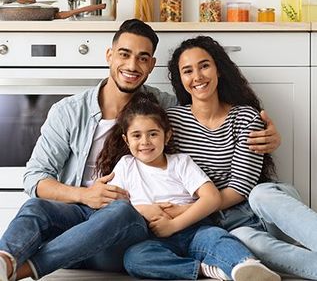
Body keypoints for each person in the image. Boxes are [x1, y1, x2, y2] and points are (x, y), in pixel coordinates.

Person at [0, 19, 280, 281]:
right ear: (109, 55)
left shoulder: (164, 109)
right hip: (81, 220)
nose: (132, 65)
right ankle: (5, 261)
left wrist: (264, 135)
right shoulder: (69, 111)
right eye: (124, 54)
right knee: (35, 206)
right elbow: (34, 179)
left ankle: (27, 270)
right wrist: (84, 195)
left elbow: (208, 110)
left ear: (151, 65)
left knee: (122, 212)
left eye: (143, 58)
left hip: (129, 226)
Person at [151, 35, 317, 280]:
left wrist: (187, 210)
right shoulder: (171, 122)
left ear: (218, 69)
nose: (197, 76)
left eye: (204, 65)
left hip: (264, 210)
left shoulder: (245, 117)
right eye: (187, 71)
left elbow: (240, 189)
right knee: (242, 240)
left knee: (262, 193)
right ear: (180, 79)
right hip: (232, 225)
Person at [96, 91, 280, 281]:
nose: (145, 142)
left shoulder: (180, 162)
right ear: (127, 140)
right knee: (134, 259)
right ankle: (204, 269)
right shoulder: (126, 165)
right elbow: (113, 208)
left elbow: (212, 197)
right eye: (137, 135)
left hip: (193, 228)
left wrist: (174, 224)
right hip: (153, 238)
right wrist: (143, 210)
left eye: (153, 134)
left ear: (167, 136)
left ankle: (246, 265)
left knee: (216, 238)